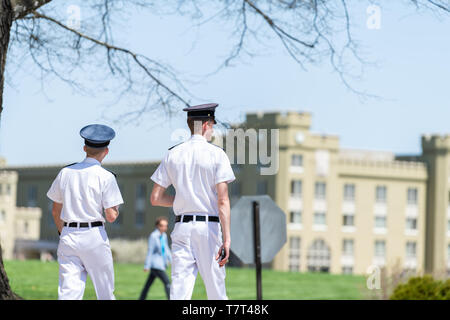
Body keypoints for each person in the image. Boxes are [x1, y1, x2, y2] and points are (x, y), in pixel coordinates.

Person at [150, 103, 235, 300]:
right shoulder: (217, 155)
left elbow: (155, 198)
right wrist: (228, 239)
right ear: (206, 125)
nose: (213, 129)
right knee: (216, 292)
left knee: (179, 292)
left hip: (182, 228)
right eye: (212, 125)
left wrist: (183, 199)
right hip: (208, 229)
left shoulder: (173, 153)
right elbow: (223, 201)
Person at [46, 124, 123, 300]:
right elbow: (111, 216)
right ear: (106, 151)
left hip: (69, 234)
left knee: (68, 293)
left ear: (84, 148)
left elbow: (55, 211)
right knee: (105, 293)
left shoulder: (65, 172)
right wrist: (115, 210)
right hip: (94, 235)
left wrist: (63, 231)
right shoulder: (106, 177)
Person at [139, 216, 172, 300]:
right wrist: (147, 265)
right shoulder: (153, 236)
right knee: (167, 283)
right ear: (157, 226)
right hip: (156, 265)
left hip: (161, 264)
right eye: (162, 225)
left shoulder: (164, 236)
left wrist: (172, 260)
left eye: (166, 225)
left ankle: (141, 299)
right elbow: (150, 251)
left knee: (148, 285)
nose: (164, 227)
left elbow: (166, 249)